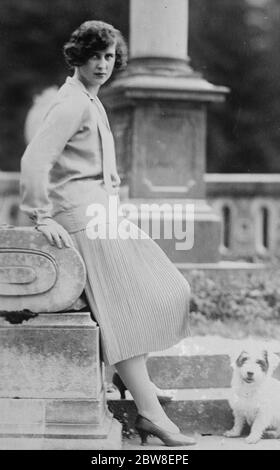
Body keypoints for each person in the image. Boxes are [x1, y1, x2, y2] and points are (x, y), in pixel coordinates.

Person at [20, 20, 196, 447]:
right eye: (94, 55)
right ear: (77, 56)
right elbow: (34, 161)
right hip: (80, 217)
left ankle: (141, 389)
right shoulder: (72, 102)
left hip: (100, 212)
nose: (102, 65)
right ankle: (150, 413)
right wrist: (41, 216)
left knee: (169, 289)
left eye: (109, 56)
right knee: (128, 305)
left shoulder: (89, 99)